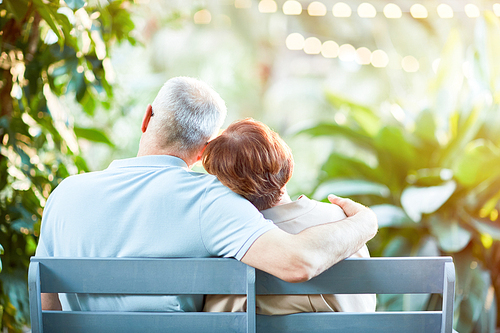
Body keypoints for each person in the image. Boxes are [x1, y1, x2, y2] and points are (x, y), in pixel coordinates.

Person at [36, 77, 378, 312]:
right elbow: (297, 261)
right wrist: (365, 221)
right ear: (204, 151)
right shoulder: (210, 199)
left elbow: (45, 302)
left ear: (146, 117)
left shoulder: (64, 194)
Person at [202, 118, 376, 314]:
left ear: (226, 186)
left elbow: (218, 317)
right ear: (287, 163)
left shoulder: (233, 241)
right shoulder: (345, 220)